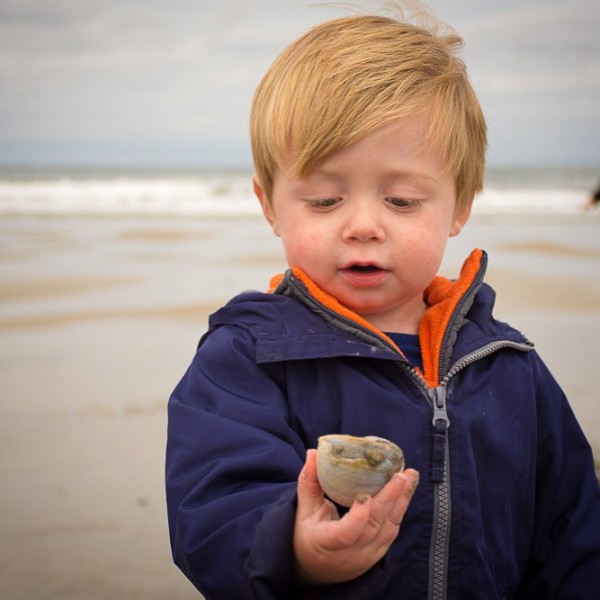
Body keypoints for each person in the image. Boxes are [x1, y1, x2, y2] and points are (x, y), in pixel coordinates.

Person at [166, 6, 600, 599]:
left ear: (460, 206)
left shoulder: (510, 366)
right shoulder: (248, 357)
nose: (363, 225)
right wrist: (298, 551)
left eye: (400, 200)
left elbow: (574, 533)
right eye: (323, 199)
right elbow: (212, 506)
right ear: (269, 204)